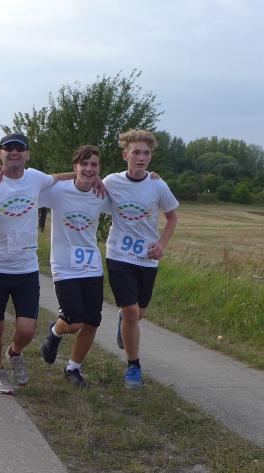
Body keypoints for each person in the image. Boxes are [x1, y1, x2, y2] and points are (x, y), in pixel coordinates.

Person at [0, 133, 85, 395]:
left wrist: (89, 177)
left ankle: (15, 352)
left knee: (27, 329)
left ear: (27, 154)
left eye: (20, 148)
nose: (14, 152)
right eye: (8, 148)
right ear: (0, 153)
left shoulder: (35, 177)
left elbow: (59, 178)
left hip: (26, 269)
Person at [104, 129, 179, 389]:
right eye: (136, 152)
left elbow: (172, 217)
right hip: (118, 254)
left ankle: (125, 322)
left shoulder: (158, 185)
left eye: (146, 153)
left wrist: (161, 244)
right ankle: (133, 366)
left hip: (147, 257)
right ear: (125, 155)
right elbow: (84, 182)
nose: (141, 157)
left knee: (139, 313)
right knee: (132, 311)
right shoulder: (111, 182)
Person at [38, 145, 111, 387]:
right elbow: (28, 185)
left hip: (92, 265)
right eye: (84, 164)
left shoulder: (102, 193)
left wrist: (152, 178)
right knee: (74, 322)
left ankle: (73, 369)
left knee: (92, 322)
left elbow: (133, 195)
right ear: (75, 166)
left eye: (94, 165)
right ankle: (55, 331)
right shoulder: (58, 191)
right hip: (64, 266)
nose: (89, 169)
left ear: (99, 168)